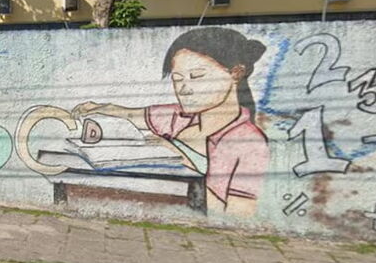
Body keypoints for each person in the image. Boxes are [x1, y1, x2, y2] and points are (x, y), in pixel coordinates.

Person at [73, 27, 269, 216]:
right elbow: (132, 115)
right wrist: (99, 108)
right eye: (177, 79)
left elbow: (235, 216)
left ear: (236, 73)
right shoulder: (178, 117)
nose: (184, 89)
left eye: (196, 76)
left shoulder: (249, 143)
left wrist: (177, 155)